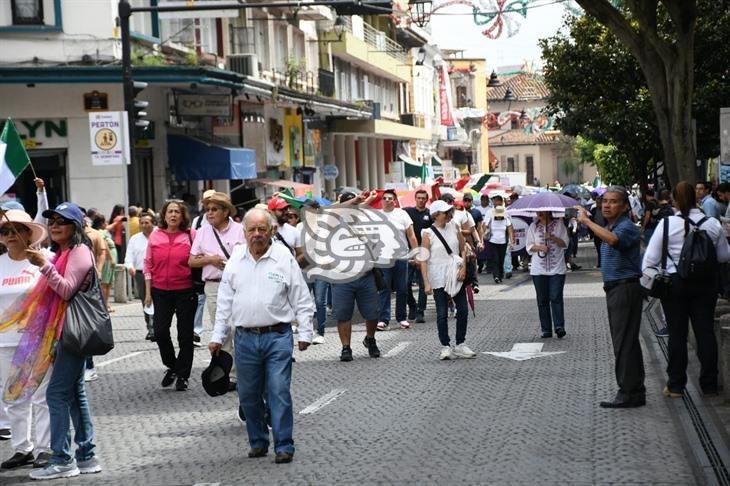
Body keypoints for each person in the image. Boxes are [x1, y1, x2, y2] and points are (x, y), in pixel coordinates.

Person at [208, 208, 314, 464]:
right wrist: (217, 335)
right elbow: (225, 300)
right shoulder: (235, 259)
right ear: (244, 233)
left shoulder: (283, 258)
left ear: (272, 231)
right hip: (244, 338)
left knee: (278, 390)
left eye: (262, 230)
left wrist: (306, 330)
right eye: (252, 230)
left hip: (277, 336)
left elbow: (300, 296)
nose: (256, 235)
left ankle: (284, 445)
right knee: (248, 394)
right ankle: (258, 441)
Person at [26, 202, 102, 479]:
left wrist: (44, 266)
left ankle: (62, 459)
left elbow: (67, 290)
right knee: (74, 394)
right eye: (52, 220)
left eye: (62, 221)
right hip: (65, 332)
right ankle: (86, 455)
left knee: (56, 394)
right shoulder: (66, 251)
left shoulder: (79, 251)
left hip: (73, 333)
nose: (54, 225)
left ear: (76, 226)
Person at [643, 181, 730, 397]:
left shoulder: (666, 224)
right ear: (697, 198)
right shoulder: (712, 224)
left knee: (677, 334)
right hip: (705, 285)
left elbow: (649, 261)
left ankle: (676, 385)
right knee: (705, 333)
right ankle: (709, 384)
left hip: (674, 285)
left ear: (674, 199)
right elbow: (724, 256)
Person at [577, 186, 645, 409]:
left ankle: (628, 392)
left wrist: (587, 222)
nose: (606, 205)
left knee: (623, 342)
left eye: (613, 202)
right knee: (627, 342)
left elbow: (614, 240)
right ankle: (634, 389)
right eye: (604, 201)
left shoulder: (626, 228)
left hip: (625, 288)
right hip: (616, 289)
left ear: (625, 207)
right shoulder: (612, 226)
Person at [0, 210, 52, 470]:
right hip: (5, 342)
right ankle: (23, 448)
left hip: (39, 339)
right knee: (13, 396)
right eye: (4, 231)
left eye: (15, 230)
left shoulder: (43, 260)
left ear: (28, 233)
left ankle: (45, 449)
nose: (9, 235)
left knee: (41, 396)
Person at [189, 192, 244, 390]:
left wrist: (229, 264)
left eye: (214, 210)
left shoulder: (239, 230)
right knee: (222, 330)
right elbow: (192, 260)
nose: (210, 214)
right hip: (213, 285)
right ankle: (231, 375)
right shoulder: (203, 232)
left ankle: (245, 371)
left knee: (240, 328)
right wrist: (211, 260)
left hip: (238, 285)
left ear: (225, 211)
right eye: (207, 210)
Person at [144, 200, 197, 391]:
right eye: (170, 212)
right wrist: (148, 292)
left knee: (185, 335)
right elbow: (147, 264)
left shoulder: (191, 235)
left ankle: (183, 375)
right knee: (159, 332)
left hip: (185, 290)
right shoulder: (155, 236)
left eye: (177, 212)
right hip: (160, 291)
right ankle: (172, 366)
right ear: (164, 216)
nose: (173, 215)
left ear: (182, 216)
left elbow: (199, 257)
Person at [329, 191, 382, 362]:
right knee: (343, 314)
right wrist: (353, 201)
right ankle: (346, 347)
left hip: (366, 276)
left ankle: (370, 339)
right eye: (349, 205)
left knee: (372, 313)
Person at [420, 200, 476, 360]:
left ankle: (460, 344)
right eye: (446, 212)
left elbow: (462, 248)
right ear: (436, 215)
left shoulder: (455, 227)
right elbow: (423, 259)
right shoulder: (427, 233)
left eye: (450, 212)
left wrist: (464, 267)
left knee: (463, 310)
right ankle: (445, 346)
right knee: (442, 313)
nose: (449, 215)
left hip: (456, 274)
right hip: (437, 276)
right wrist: (426, 282)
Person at [377, 189, 418, 330]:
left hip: (401, 258)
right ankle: (383, 319)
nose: (387, 200)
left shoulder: (402, 214)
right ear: (381, 201)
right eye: (384, 198)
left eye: (390, 198)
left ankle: (401, 318)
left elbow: (411, 235)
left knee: (402, 289)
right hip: (383, 259)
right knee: (384, 289)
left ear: (395, 201)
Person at [526, 212, 569, 338]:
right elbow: (529, 247)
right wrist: (540, 247)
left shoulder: (559, 225)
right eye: (538, 213)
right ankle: (546, 329)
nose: (540, 215)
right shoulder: (533, 227)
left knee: (556, 297)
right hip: (538, 269)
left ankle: (559, 326)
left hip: (557, 268)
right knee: (542, 300)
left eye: (543, 213)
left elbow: (565, 244)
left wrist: (552, 238)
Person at [124, 211, 156, 341]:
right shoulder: (134, 239)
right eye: (141, 223)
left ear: (153, 224)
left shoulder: (159, 235)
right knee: (146, 300)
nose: (143, 225)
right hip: (140, 274)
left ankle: (158, 326)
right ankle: (150, 327)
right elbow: (129, 257)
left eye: (146, 223)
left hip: (157, 273)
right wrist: (130, 267)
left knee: (159, 300)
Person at [404, 189, 431, 323]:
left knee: (422, 283)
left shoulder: (430, 214)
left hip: (424, 253)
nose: (421, 200)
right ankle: (412, 306)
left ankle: (420, 311)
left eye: (423, 198)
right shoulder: (407, 212)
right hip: (408, 252)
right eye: (419, 198)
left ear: (427, 200)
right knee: (405, 283)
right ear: (415, 199)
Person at [91, 215, 117, 314]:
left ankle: (106, 304)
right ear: (101, 223)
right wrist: (111, 259)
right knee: (105, 283)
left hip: (109, 258)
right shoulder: (101, 232)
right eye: (105, 222)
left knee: (109, 283)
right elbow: (105, 245)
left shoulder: (102, 231)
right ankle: (104, 305)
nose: (106, 224)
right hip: (107, 260)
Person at [484, 205, 514, 284]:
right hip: (493, 242)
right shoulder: (491, 220)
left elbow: (510, 231)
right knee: (495, 259)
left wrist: (511, 241)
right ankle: (496, 276)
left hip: (503, 243)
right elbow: (484, 226)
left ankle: (500, 275)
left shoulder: (506, 220)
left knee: (501, 260)